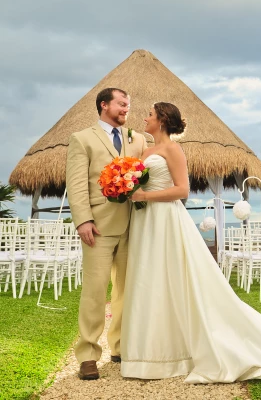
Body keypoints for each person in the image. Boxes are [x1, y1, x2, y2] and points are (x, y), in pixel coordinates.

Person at [120, 102, 261, 383]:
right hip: (145, 222)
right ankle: (151, 353)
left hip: (166, 219)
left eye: (150, 115)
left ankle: (181, 354)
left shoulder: (173, 149)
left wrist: (145, 197)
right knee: (150, 279)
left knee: (177, 278)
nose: (145, 118)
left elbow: (182, 190)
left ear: (163, 120)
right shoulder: (146, 150)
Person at [66, 87, 148, 380]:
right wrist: (83, 220)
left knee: (127, 290)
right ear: (104, 105)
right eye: (121, 104)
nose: (127, 108)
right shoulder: (82, 139)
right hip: (97, 228)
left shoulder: (137, 139)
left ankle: (121, 347)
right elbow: (76, 184)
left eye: (128, 104)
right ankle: (88, 354)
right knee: (95, 292)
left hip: (133, 226)